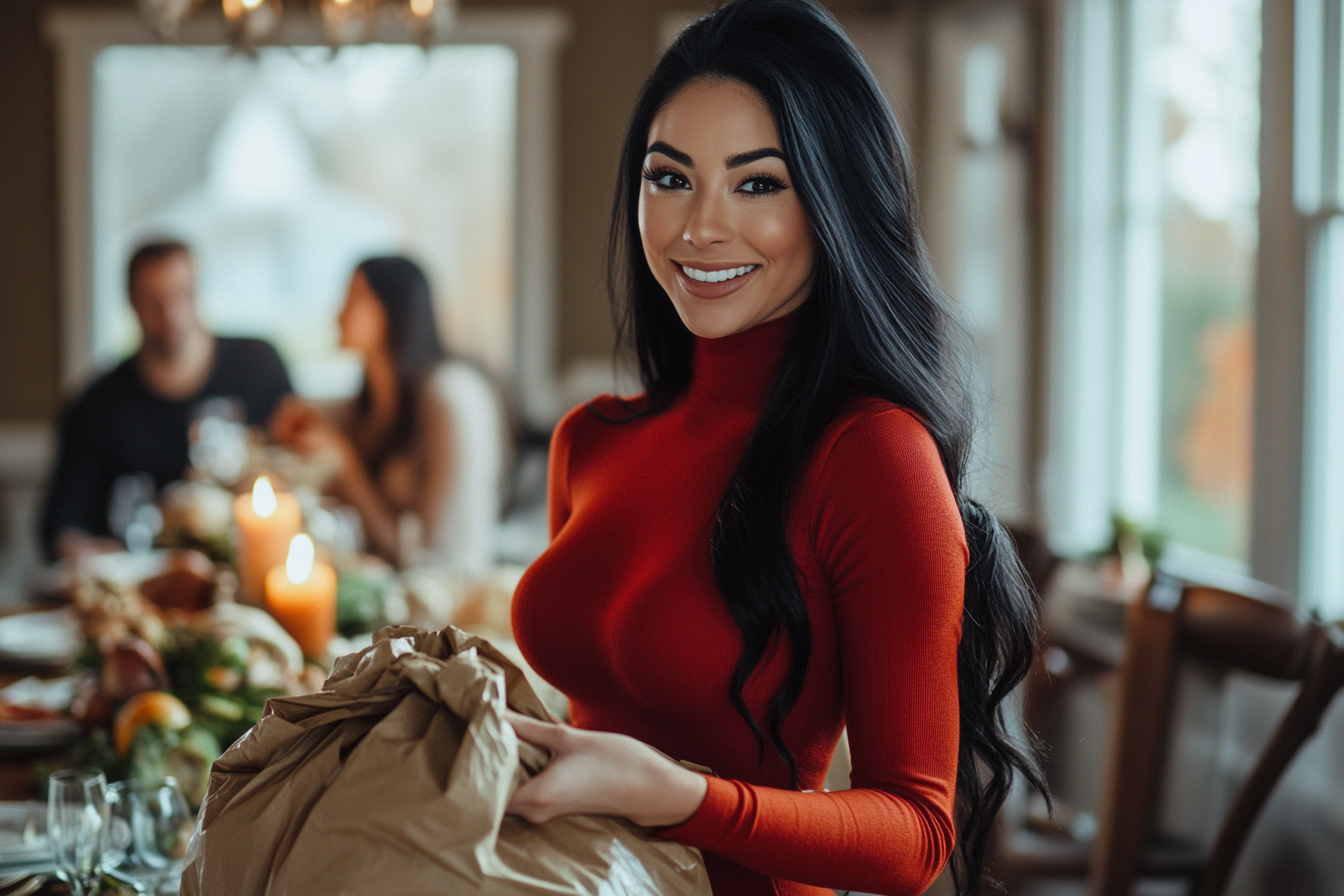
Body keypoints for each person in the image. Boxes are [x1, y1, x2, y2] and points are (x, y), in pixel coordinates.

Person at [504, 2, 1046, 895]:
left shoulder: (872, 458)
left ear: (836, 199)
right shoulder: (590, 439)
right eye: (669, 179)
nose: (698, 228)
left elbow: (914, 835)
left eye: (759, 184)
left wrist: (679, 798)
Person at [41, 240, 292, 561]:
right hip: (139, 582)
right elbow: (61, 524)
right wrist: (89, 555)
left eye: (182, 295)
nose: (171, 315)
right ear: (131, 302)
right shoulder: (96, 404)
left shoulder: (258, 367)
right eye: (154, 301)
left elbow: (298, 470)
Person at [270, 256, 505, 572]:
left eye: (355, 298)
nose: (338, 314)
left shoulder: (452, 397)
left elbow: (440, 559)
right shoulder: (372, 397)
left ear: (396, 309)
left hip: (442, 600)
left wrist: (346, 468)